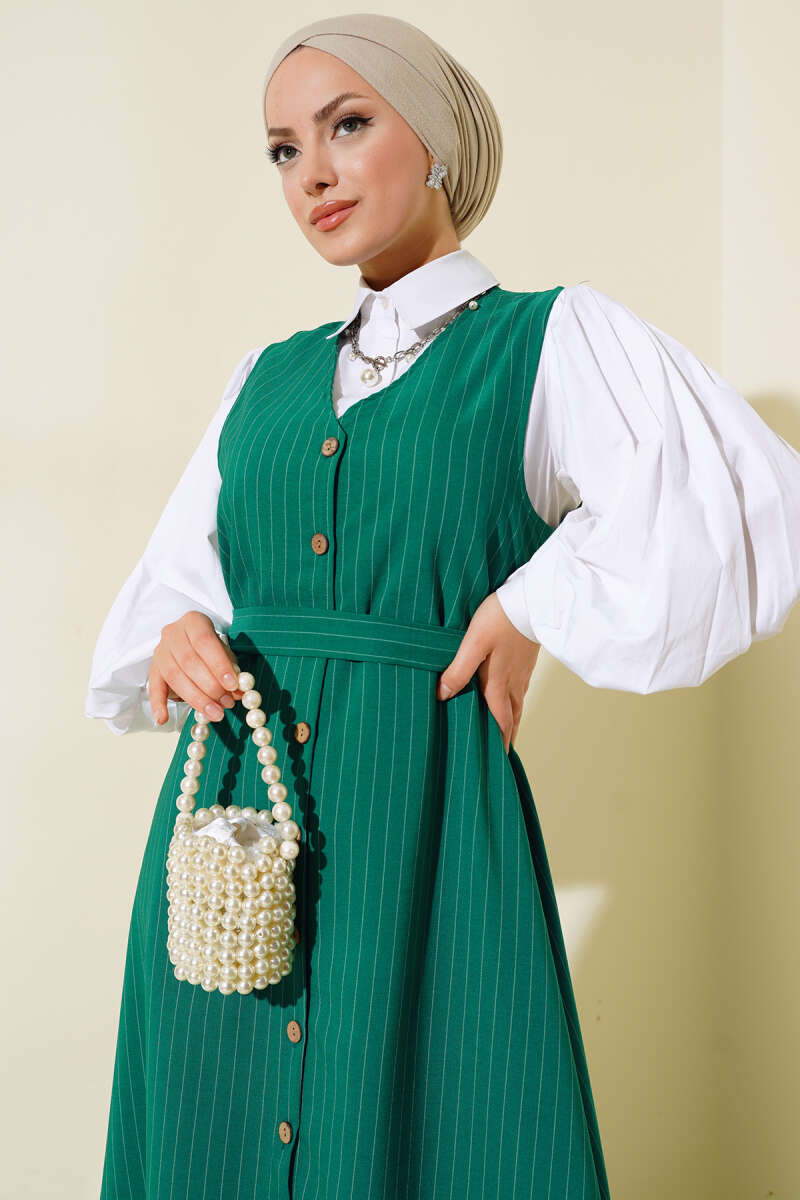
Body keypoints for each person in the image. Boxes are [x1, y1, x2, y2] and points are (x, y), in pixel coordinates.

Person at [85, 14, 800, 1200]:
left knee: (449, 1122)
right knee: (213, 1125)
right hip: (232, 837)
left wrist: (534, 602)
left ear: (437, 143)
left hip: (418, 806)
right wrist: (180, 633)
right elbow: (172, 594)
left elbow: (745, 502)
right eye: (282, 150)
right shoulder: (263, 377)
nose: (310, 174)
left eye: (346, 126)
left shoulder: (549, 340)